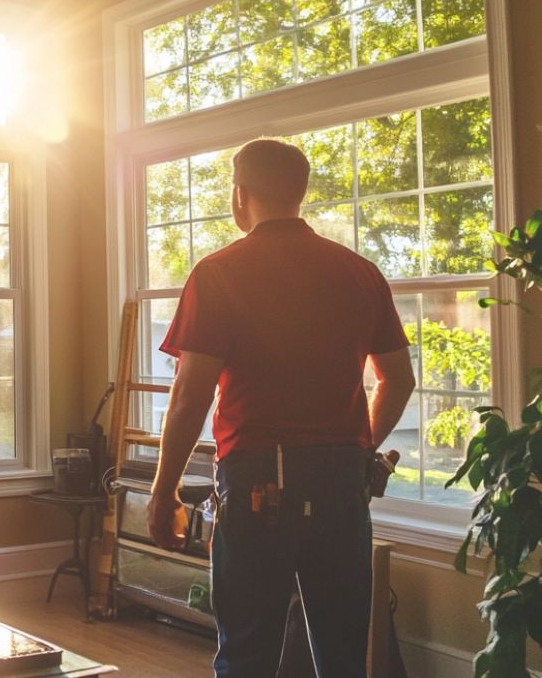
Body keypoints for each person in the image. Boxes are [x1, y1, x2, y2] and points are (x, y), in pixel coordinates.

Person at [146, 138, 416, 678]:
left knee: (248, 652)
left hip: (257, 483)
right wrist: (359, 449)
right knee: (342, 653)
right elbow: (399, 381)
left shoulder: (221, 272)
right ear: (300, 192)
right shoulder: (359, 272)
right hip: (342, 480)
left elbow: (190, 395)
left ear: (239, 195)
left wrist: (163, 489)